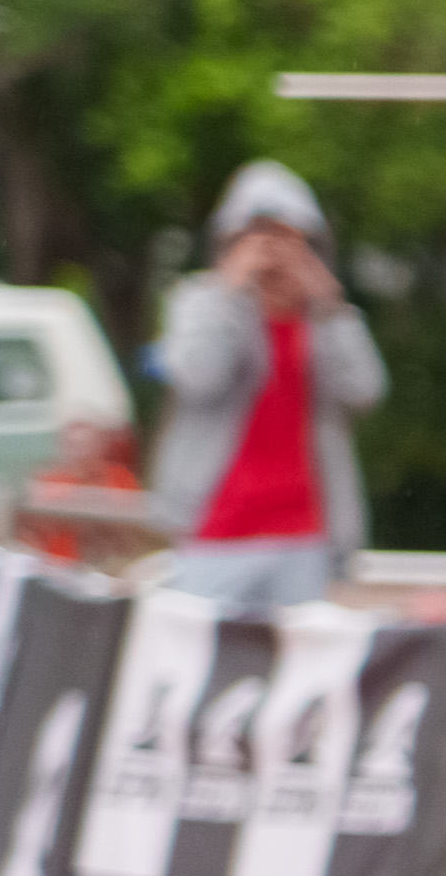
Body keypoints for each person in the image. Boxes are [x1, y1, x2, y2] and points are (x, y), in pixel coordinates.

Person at [151, 162, 383, 612]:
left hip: (303, 532)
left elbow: (366, 391)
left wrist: (331, 307)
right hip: (216, 528)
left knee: (300, 650)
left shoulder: (325, 319)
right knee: (200, 646)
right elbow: (197, 377)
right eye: (259, 237)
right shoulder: (200, 302)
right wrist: (228, 292)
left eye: (287, 238)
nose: (272, 253)